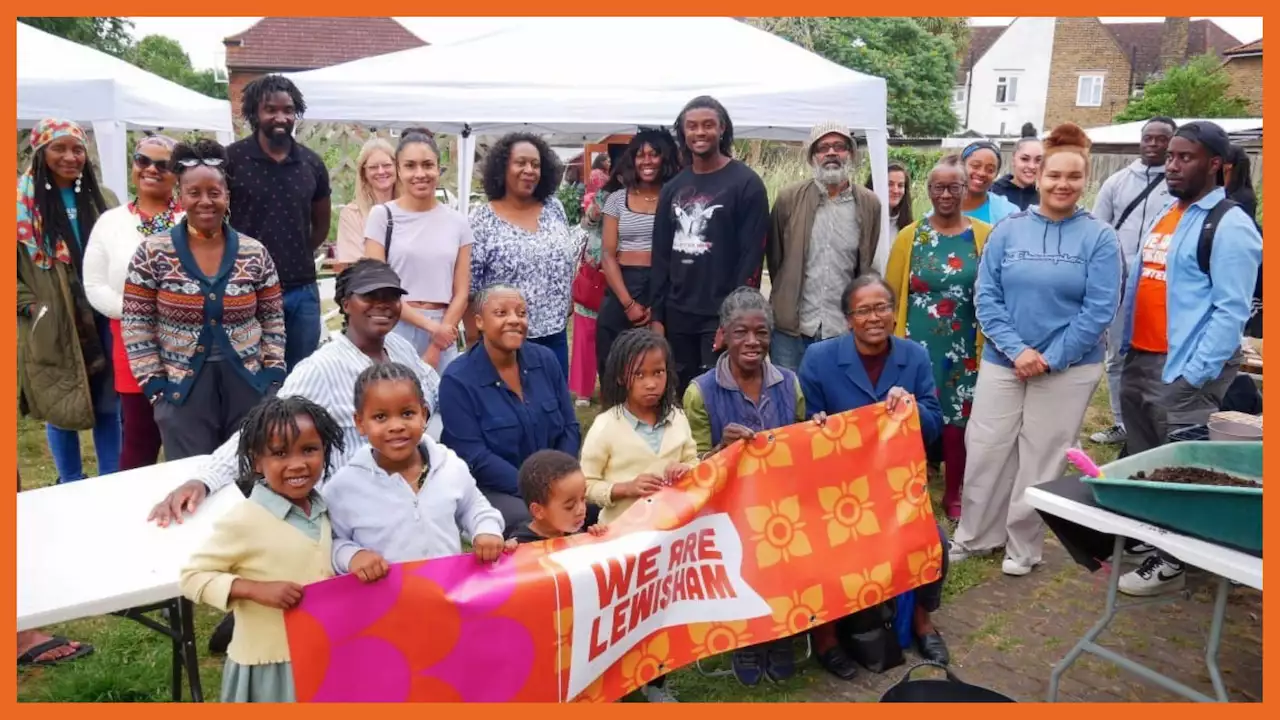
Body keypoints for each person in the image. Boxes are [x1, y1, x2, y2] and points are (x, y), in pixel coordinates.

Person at [146, 259, 441, 528]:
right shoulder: (323, 367)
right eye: (370, 296)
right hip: (358, 512)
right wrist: (204, 480)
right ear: (346, 303)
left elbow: (429, 393)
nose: (383, 305)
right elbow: (262, 428)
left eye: (391, 297)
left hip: (409, 493)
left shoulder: (399, 348)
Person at [950, 123, 1121, 577]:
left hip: (1068, 367)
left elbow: (1100, 308)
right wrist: (1017, 349)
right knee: (986, 446)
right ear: (1039, 176)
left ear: (1085, 181)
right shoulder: (1009, 230)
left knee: (1042, 455)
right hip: (1005, 361)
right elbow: (986, 296)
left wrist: (1050, 357)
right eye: (1054, 176)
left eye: (1073, 177)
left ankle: (1023, 546)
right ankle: (975, 534)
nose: (1062, 185)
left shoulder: (1100, 238)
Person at [1115, 122, 1262, 597]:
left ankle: (1175, 559)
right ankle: (1154, 535)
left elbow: (1232, 308)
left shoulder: (1230, 223)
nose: (1172, 165)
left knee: (1179, 466)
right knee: (1145, 456)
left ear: (1216, 165)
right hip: (1141, 355)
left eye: (1186, 158)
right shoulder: (1168, 212)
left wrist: (1194, 374)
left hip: (1182, 367)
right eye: (1171, 157)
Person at [798, 275, 951, 678]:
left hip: (896, 488)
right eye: (863, 310)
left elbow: (934, 426)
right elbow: (806, 429)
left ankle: (922, 620)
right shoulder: (819, 358)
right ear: (848, 319)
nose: (873, 317)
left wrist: (911, 409)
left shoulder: (914, 356)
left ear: (894, 312)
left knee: (935, 540)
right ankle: (826, 638)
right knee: (823, 547)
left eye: (882, 307)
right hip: (839, 491)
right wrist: (816, 423)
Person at [123, 139, 286, 461]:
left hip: (248, 384)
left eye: (214, 192)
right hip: (181, 388)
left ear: (227, 195)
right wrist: (156, 387)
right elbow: (136, 323)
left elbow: (273, 319)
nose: (205, 201)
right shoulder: (153, 252)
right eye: (194, 193)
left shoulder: (255, 252)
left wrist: (271, 376)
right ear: (180, 196)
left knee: (248, 473)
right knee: (191, 479)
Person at [180, 395, 344, 702]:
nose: (297, 464)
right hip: (270, 664)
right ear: (258, 461)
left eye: (309, 450)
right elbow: (192, 577)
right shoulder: (246, 519)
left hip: (320, 652)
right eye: (280, 453)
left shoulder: (321, 508)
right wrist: (254, 589)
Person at [683, 288, 809, 685]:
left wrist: (817, 433)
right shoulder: (700, 392)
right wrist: (721, 450)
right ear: (723, 335)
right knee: (746, 545)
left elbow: (802, 446)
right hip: (726, 506)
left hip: (782, 501)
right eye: (741, 333)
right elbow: (691, 471)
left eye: (761, 332)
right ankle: (749, 639)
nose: (752, 342)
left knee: (791, 536)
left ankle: (783, 631)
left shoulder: (790, 384)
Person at [324, 363, 508, 580]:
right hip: (388, 606)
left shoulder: (448, 465)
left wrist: (486, 529)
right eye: (381, 417)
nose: (396, 426)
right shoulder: (343, 488)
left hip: (450, 595)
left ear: (424, 414)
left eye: (407, 413)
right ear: (360, 422)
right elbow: (330, 542)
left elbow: (474, 507)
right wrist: (353, 556)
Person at [885, 156, 992, 521]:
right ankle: (911, 487)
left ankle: (954, 492)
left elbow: (993, 292)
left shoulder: (983, 235)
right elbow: (891, 296)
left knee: (959, 419)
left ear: (966, 189)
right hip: (917, 342)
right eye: (938, 187)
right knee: (912, 414)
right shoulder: (910, 236)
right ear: (928, 191)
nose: (945, 195)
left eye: (954, 187)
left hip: (965, 344)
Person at [17, 118, 121, 483]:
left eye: (77, 148)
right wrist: (33, 307)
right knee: (60, 405)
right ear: (41, 152)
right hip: (53, 319)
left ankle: (111, 480)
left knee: (110, 404)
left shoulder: (104, 199)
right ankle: (69, 483)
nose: (70, 156)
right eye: (59, 148)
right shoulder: (19, 205)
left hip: (104, 316)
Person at [650, 96, 769, 394]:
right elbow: (661, 256)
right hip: (677, 314)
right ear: (683, 132)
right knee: (678, 395)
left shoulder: (746, 184)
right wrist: (657, 317)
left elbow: (751, 258)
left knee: (718, 395)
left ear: (722, 128)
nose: (699, 133)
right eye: (691, 126)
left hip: (719, 315)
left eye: (707, 125)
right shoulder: (673, 187)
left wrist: (733, 320)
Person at [440, 285, 581, 527]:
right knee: (535, 522)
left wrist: (562, 478)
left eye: (521, 313)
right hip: (495, 488)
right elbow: (475, 456)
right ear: (479, 322)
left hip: (555, 483)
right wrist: (535, 489)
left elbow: (570, 427)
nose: (515, 320)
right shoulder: (457, 379)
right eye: (501, 313)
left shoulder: (545, 360)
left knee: (591, 511)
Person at [83, 135, 182, 471]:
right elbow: (94, 285)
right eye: (143, 160)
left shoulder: (193, 218)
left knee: (186, 434)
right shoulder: (111, 223)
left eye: (163, 164)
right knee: (139, 435)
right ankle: (130, 511)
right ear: (133, 166)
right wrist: (138, 312)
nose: (152, 169)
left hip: (188, 342)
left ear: (177, 171)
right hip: (131, 341)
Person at [226, 74, 332, 372]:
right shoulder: (233, 160)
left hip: (301, 290)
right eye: (271, 109)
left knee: (301, 374)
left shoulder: (311, 164)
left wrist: (297, 251)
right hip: (247, 289)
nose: (280, 117)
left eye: (288, 110)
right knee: (252, 375)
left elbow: (321, 224)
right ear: (255, 114)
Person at [1089, 116, 1177, 446]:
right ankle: (1120, 421)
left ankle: (1156, 421)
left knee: (1159, 354)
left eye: (1161, 139)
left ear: (1171, 142)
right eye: (1148, 138)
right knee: (1117, 354)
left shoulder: (1178, 185)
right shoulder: (1117, 182)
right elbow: (1098, 230)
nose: (1153, 144)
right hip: (1120, 283)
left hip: (1161, 283)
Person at [767, 122, 883, 371]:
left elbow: (866, 260)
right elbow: (776, 260)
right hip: (791, 331)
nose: (831, 153)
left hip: (841, 328)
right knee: (789, 403)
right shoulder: (789, 198)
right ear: (813, 157)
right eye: (823, 147)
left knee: (835, 406)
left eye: (839, 146)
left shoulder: (869, 204)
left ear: (851, 154)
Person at [469, 133, 578, 376]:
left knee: (551, 408)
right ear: (502, 168)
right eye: (521, 163)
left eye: (536, 164)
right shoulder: (482, 219)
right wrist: (474, 341)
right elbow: (470, 288)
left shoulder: (553, 208)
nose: (529, 170)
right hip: (504, 341)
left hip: (554, 337)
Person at [364, 129, 471, 372]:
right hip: (396, 325)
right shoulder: (382, 216)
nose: (420, 174)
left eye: (427, 165)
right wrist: (432, 328)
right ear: (399, 171)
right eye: (410, 166)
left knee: (442, 405)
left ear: (438, 169)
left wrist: (438, 340)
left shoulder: (458, 222)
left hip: (445, 329)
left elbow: (462, 292)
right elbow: (378, 288)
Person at [582, 329, 695, 523]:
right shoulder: (605, 426)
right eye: (639, 375)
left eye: (658, 373)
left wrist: (686, 469)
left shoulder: (677, 418)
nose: (651, 384)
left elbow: (694, 461)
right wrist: (626, 488)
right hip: (622, 532)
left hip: (673, 529)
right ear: (621, 378)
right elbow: (586, 485)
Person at [334, 137, 397, 273]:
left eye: (386, 165)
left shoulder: (410, 209)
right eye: (373, 167)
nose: (381, 171)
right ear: (364, 173)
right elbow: (354, 266)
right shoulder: (351, 213)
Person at [956, 140, 1019, 226]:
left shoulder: (1009, 214)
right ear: (961, 166)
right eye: (975, 166)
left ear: (996, 174)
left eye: (990, 170)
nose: (982, 173)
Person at [990, 125, 1042, 211]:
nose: (1031, 166)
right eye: (1025, 159)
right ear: (1013, 159)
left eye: (1038, 160)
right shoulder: (993, 192)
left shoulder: (1046, 197)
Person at [867, 162, 914, 237]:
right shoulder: (862, 221)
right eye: (890, 184)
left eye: (900, 185)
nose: (895, 190)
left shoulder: (908, 226)